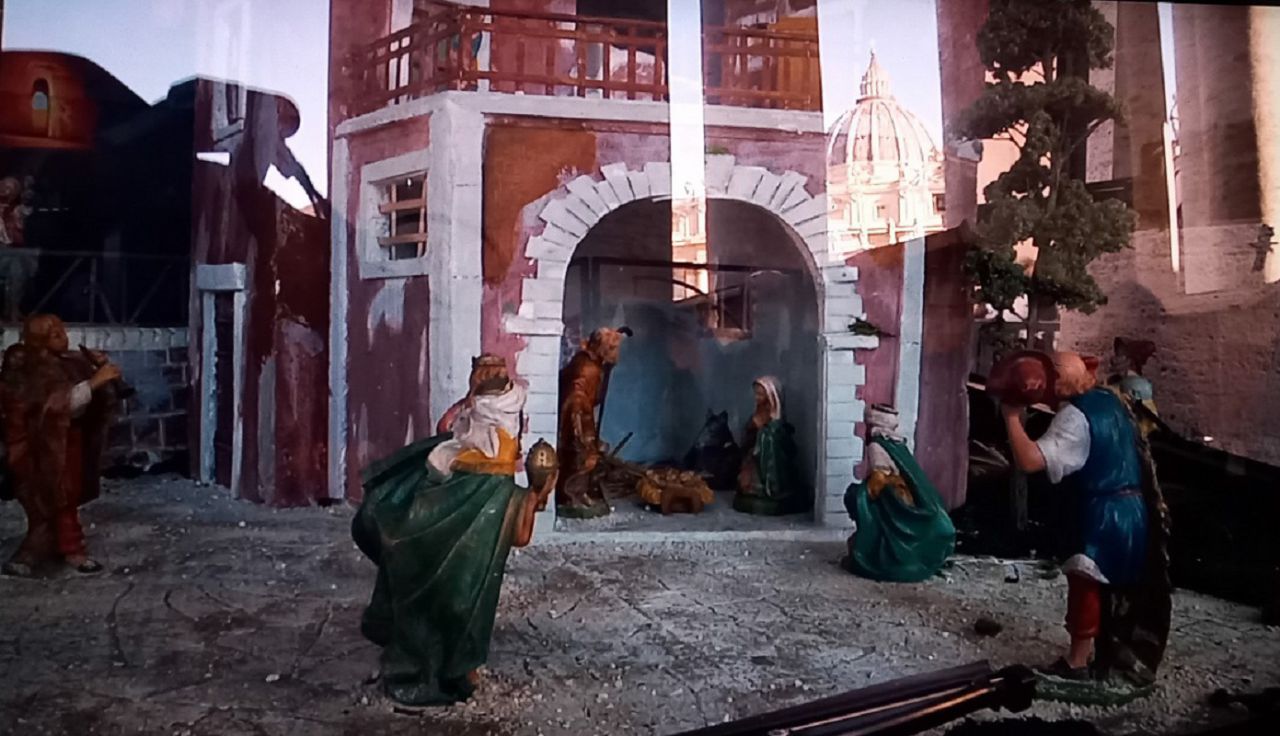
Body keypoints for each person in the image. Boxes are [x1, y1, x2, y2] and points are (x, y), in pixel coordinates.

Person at [351, 368, 557, 707]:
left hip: (426, 569)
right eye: (516, 425)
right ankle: (445, 672)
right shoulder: (494, 484)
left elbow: (445, 430)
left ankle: (437, 666)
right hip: (451, 584)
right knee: (453, 612)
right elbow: (521, 535)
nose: (519, 436)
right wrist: (537, 492)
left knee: (437, 613)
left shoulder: (449, 463)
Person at [997, 350, 1170, 683]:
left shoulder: (1075, 418)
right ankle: (1107, 654)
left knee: (1085, 586)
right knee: (1113, 590)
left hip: (1102, 513)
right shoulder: (1110, 400)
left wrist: (1012, 418)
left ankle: (1077, 662)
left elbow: (1030, 460)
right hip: (1131, 509)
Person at [1, 314, 123, 576]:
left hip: (66, 440)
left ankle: (64, 549)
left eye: (62, 331)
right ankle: (42, 552)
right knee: (46, 500)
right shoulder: (27, 368)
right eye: (55, 334)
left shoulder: (70, 361)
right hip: (38, 446)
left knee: (66, 496)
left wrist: (100, 370)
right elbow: (51, 407)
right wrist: (93, 382)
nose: (63, 337)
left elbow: (100, 398)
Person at [842, 404, 956, 582]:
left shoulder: (877, 445)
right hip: (895, 497)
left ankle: (887, 555)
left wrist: (865, 494)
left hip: (898, 501)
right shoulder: (894, 443)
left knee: (856, 497)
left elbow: (880, 479)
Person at [556, 326, 629, 518]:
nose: (616, 354)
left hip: (583, 415)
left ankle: (579, 493)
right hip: (577, 416)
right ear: (603, 348)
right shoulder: (587, 368)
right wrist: (579, 427)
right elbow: (577, 397)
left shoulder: (592, 364)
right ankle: (571, 495)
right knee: (582, 456)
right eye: (613, 349)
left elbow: (592, 396)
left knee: (587, 456)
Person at [734, 376, 807, 515]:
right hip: (755, 451)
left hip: (767, 453)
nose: (757, 397)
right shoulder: (760, 410)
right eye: (756, 394)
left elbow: (775, 434)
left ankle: (770, 486)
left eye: (760, 394)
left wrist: (763, 434)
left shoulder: (774, 417)